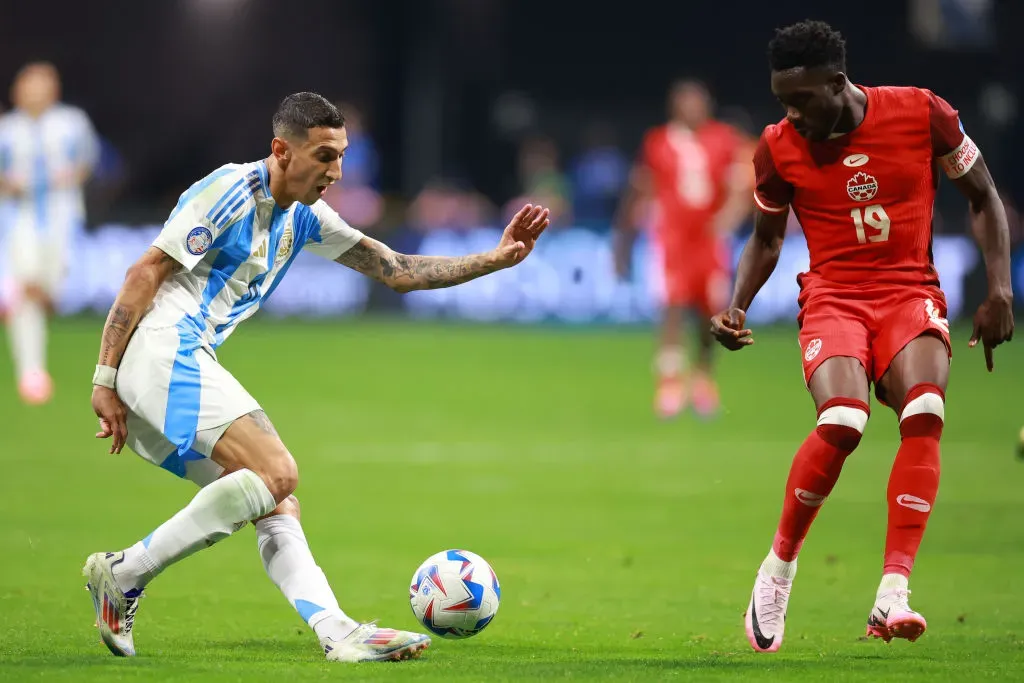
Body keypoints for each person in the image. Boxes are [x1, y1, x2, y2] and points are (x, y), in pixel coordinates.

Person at [82, 92, 550, 663]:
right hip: (161, 350)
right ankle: (125, 572)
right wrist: (104, 377)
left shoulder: (304, 217)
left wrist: (495, 259)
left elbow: (396, 271)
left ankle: (337, 632)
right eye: (325, 156)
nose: (338, 171)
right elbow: (144, 271)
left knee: (276, 503)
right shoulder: (229, 191)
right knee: (277, 471)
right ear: (282, 150)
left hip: (173, 361)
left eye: (342, 156)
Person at [710, 20, 1013, 653]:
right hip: (835, 298)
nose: (791, 114)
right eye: (781, 101)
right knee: (844, 420)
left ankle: (892, 593)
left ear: (839, 82)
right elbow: (767, 238)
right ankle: (779, 569)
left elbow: (984, 198)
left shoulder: (922, 112)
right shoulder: (777, 146)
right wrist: (736, 306)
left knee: (926, 408)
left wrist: (999, 290)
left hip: (910, 293)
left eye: (802, 100)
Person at [615, 80, 752, 419]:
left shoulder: (723, 139)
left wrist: (729, 219)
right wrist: (625, 239)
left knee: (712, 312)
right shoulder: (658, 141)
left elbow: (741, 186)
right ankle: (670, 382)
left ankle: (703, 377)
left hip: (708, 240)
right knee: (672, 308)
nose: (693, 108)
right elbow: (642, 188)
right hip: (671, 239)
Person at [0, 62, 99, 403]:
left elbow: (90, 160)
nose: (34, 92)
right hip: (20, 217)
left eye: (41, 85)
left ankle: (35, 334)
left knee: (48, 292)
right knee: (26, 288)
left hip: (62, 218)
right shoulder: (7, 129)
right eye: (28, 85)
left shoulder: (72, 123)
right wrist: (9, 184)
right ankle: (31, 372)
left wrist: (72, 176)